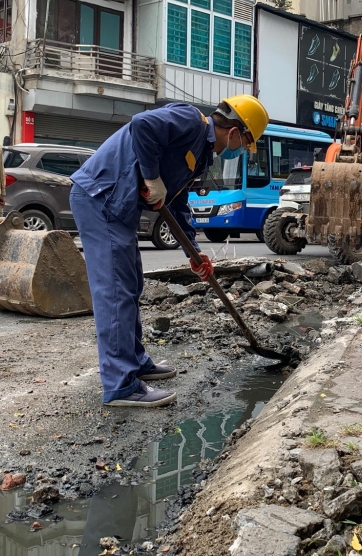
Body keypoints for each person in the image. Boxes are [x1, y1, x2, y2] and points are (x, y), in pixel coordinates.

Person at [69, 96, 269, 407]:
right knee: (115, 291)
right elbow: (142, 125)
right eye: (245, 142)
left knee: (131, 285)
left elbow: (176, 202)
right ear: (234, 131)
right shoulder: (190, 120)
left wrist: (194, 251)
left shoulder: (201, 156)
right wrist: (151, 176)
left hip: (117, 208)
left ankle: (135, 363)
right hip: (100, 197)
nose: (242, 149)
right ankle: (120, 385)